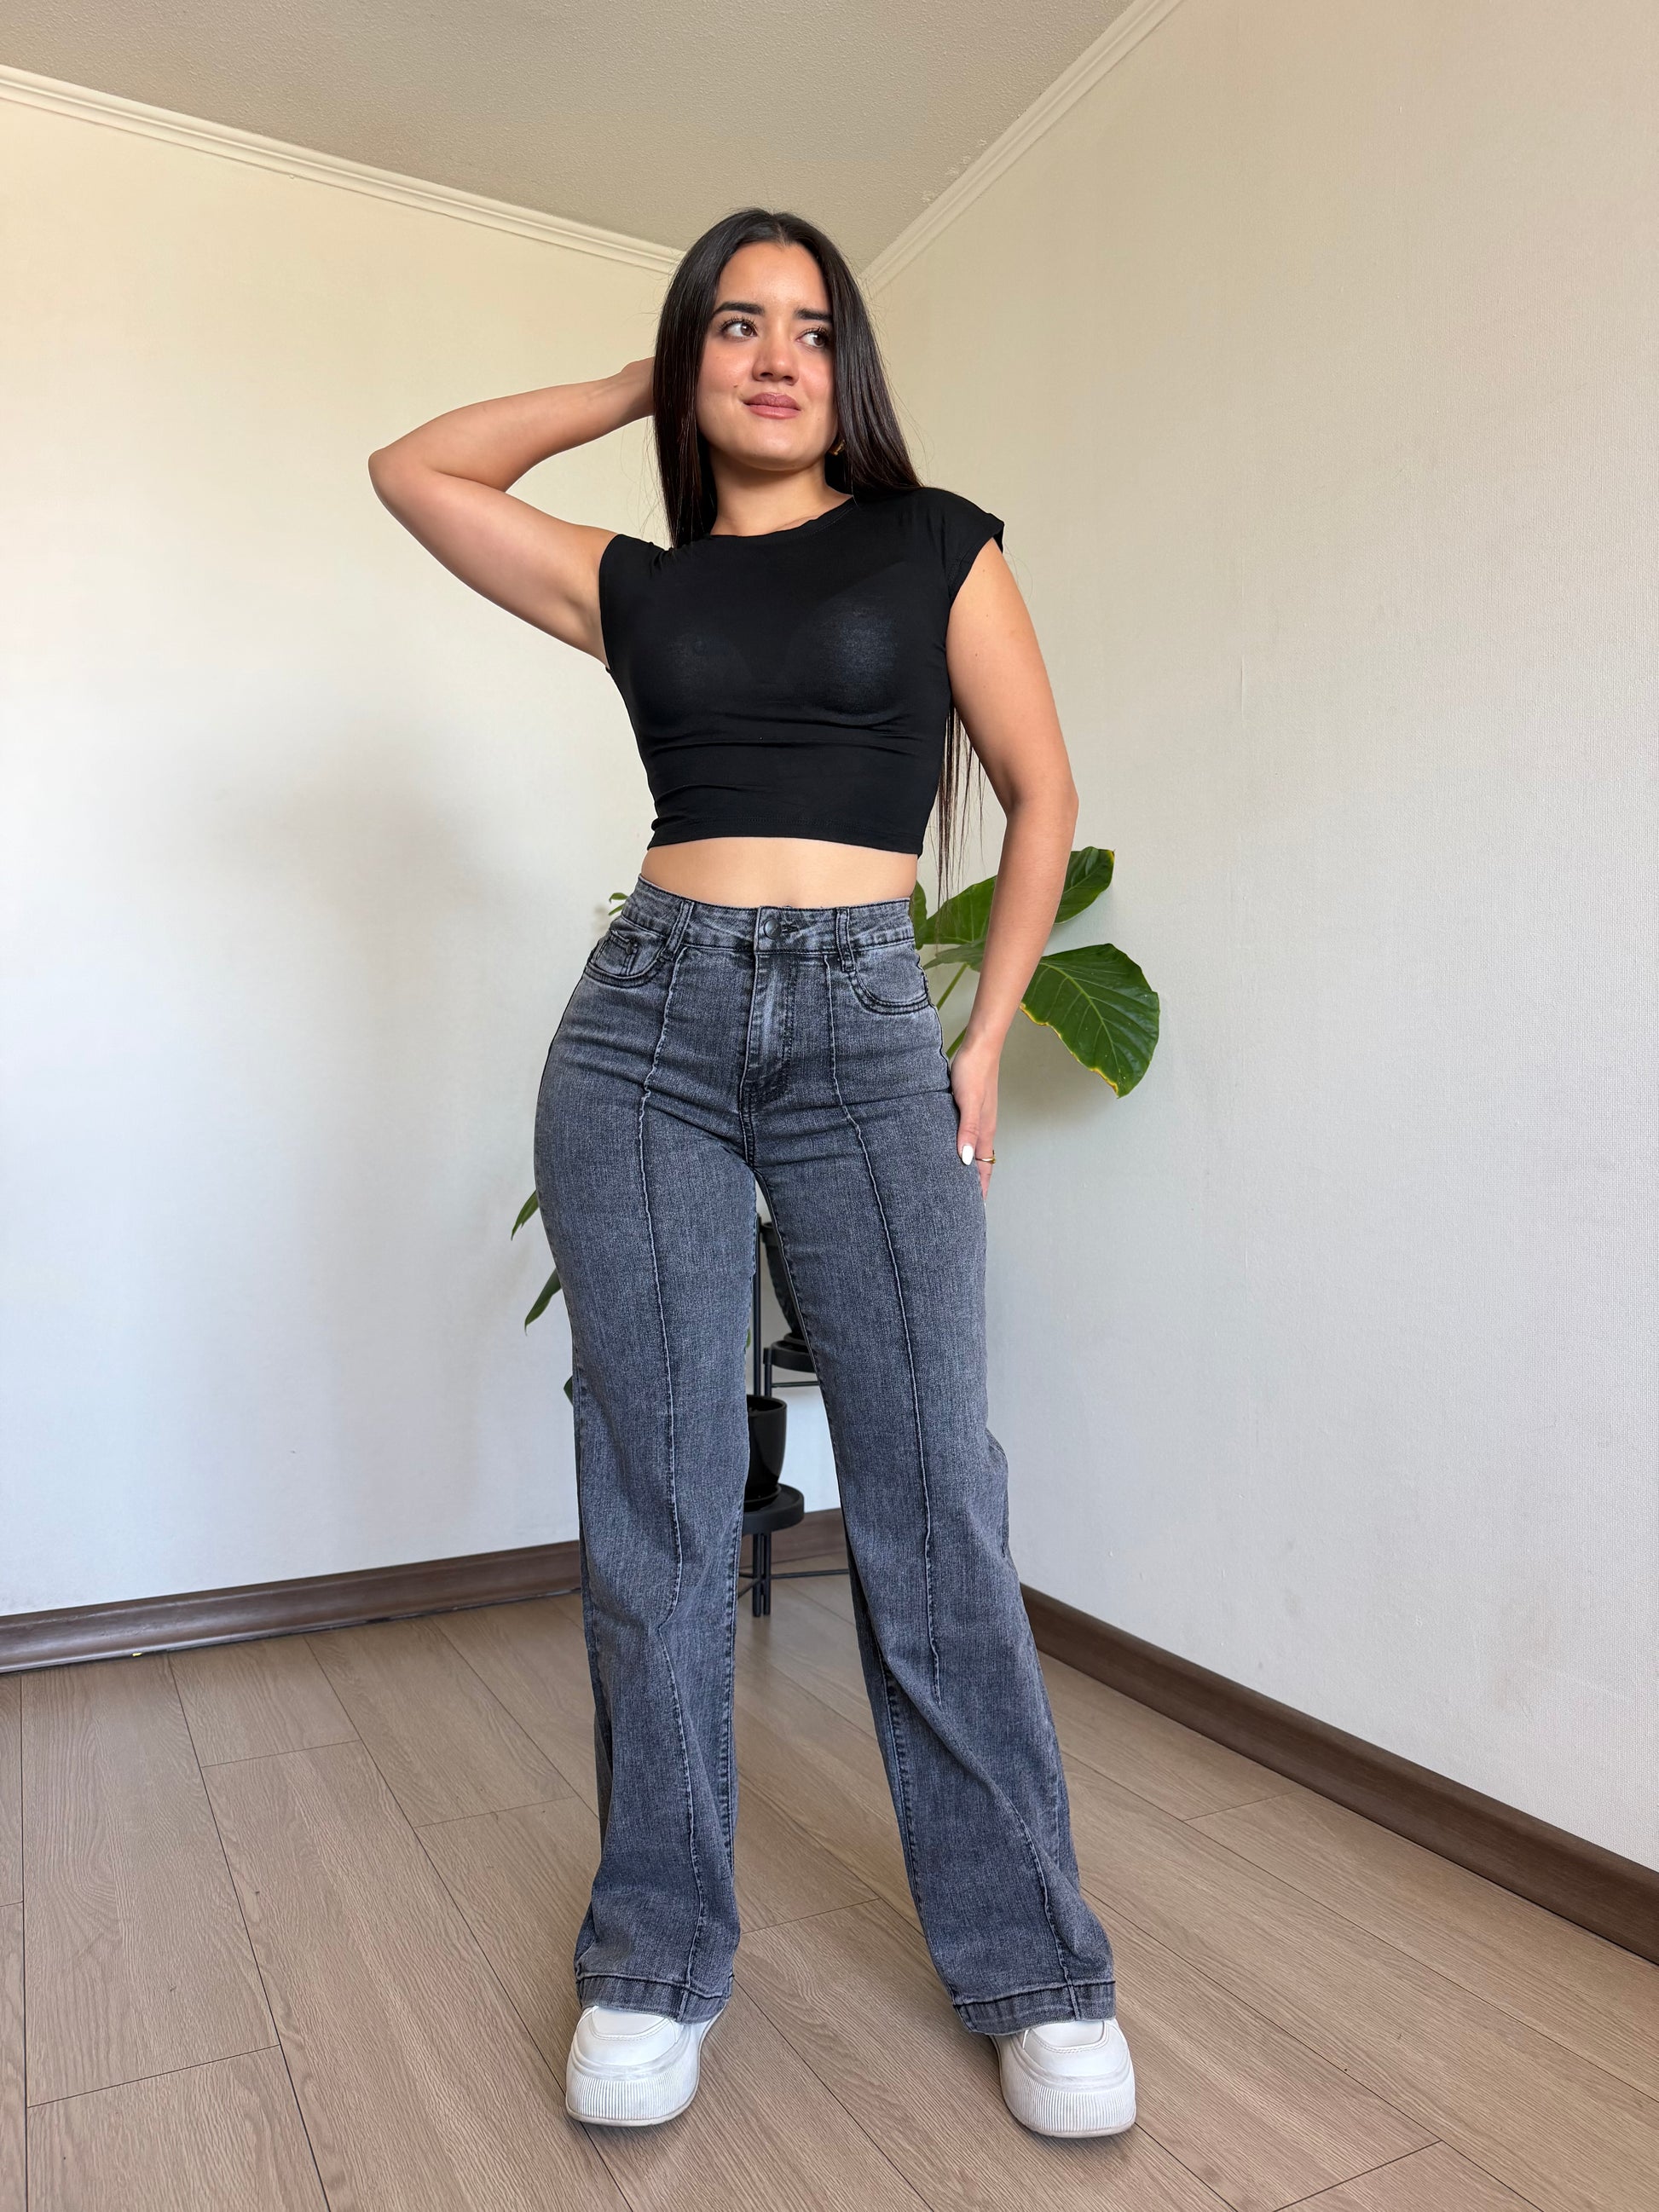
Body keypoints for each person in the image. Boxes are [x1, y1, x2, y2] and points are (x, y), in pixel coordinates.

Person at [368, 205, 1134, 2141]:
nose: (775, 353)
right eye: (732, 325)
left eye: (806, 324)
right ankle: (651, 1959)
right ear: (690, 363)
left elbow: (1040, 788)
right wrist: (631, 381)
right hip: (646, 1031)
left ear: (847, 363)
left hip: (871, 1033)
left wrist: (980, 1037)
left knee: (931, 1490)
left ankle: (1035, 1967)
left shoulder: (933, 540)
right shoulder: (634, 584)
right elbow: (415, 470)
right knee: (656, 1496)